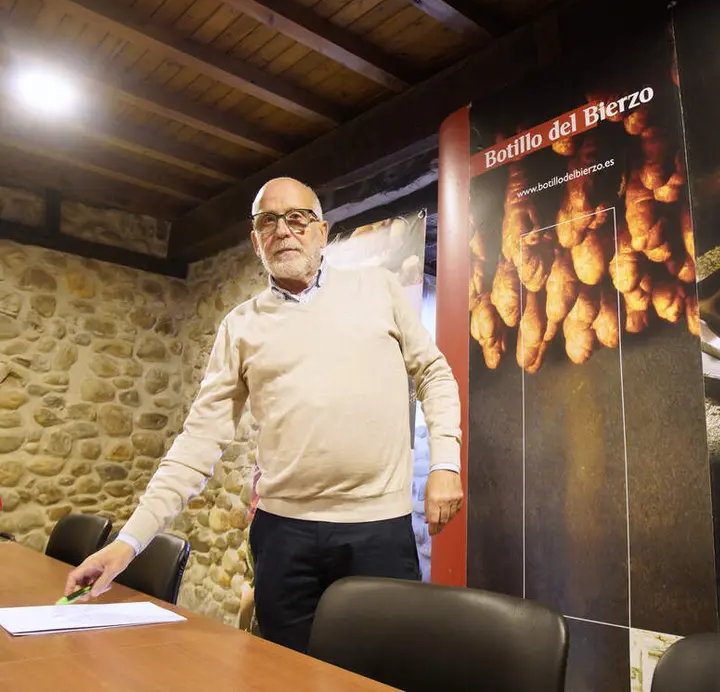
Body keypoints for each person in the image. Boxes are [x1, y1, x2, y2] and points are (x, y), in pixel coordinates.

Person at [64, 177, 464, 653]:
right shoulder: (240, 326)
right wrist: (126, 544)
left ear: (321, 231)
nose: (283, 230)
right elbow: (196, 446)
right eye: (267, 221)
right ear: (256, 241)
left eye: (297, 218)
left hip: (377, 529)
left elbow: (434, 374)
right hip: (283, 536)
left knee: (382, 670)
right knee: (284, 672)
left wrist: (445, 462)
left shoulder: (379, 289)